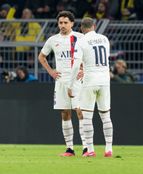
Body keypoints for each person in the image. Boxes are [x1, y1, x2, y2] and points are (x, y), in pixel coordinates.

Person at [38, 11, 87, 156]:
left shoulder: (80, 38)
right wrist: (51, 71)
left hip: (77, 80)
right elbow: (41, 57)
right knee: (65, 113)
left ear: (72, 23)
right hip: (61, 81)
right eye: (60, 23)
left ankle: (86, 148)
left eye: (66, 22)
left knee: (80, 111)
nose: (63, 25)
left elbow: (89, 56)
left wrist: (84, 70)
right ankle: (70, 149)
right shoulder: (53, 40)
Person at [68, 17, 113, 157]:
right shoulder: (104, 39)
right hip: (105, 81)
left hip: (90, 81)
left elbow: (76, 65)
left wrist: (71, 85)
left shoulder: (81, 42)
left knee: (87, 117)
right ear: (94, 26)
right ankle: (109, 149)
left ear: (81, 28)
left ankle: (90, 150)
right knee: (106, 116)